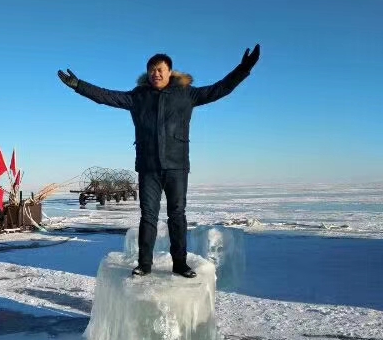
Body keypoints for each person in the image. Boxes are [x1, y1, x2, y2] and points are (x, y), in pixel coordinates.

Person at [58, 45, 260, 278]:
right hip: (148, 167)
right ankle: (144, 264)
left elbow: (220, 88)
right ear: (148, 73)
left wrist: (244, 68)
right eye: (152, 70)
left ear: (170, 71)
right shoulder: (138, 97)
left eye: (161, 69)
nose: (157, 73)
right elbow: (107, 97)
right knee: (148, 216)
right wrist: (79, 86)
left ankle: (180, 264)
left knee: (177, 215)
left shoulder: (187, 93)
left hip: (177, 166)